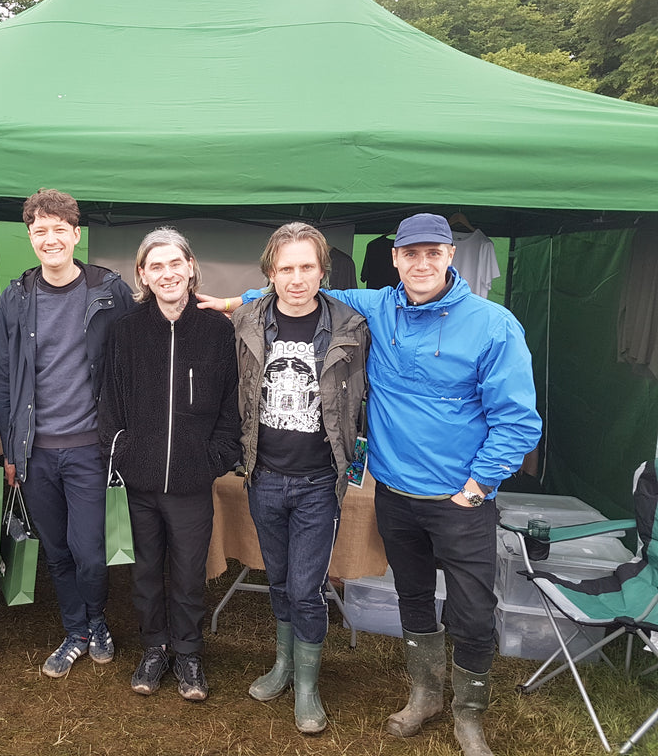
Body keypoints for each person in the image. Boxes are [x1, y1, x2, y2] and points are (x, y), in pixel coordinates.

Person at [200, 213, 542, 756]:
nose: (422, 263)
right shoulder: (378, 308)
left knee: (473, 610)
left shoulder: (493, 324)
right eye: (411, 254)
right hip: (397, 494)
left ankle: (469, 716)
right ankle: (425, 697)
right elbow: (299, 287)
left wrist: (477, 486)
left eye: (434, 252)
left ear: (452, 255)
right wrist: (236, 301)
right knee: (413, 599)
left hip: (462, 498)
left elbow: (519, 421)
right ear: (397, 259)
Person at [230, 222, 369, 733]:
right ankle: (283, 666)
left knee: (307, 589)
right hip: (264, 476)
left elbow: (367, 394)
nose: (296, 278)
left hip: (317, 482)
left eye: (306, 267)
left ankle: (308, 686)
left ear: (322, 271)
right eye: (286, 268)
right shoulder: (247, 320)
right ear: (270, 272)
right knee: (280, 582)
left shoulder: (350, 326)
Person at [0, 189, 135, 677]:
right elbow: (3, 375)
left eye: (60, 230)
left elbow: (132, 364)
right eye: (40, 231)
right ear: (30, 237)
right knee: (56, 549)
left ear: (77, 235)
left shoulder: (108, 290)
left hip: (90, 449)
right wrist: (10, 448)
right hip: (35, 451)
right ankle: (75, 631)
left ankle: (98, 620)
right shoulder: (16, 296)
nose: (50, 239)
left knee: (89, 551)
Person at [97, 228, 240, 701]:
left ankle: (190, 654)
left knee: (187, 573)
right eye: (155, 266)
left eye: (174, 263)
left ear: (191, 267)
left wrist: (214, 458)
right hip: (139, 482)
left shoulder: (218, 331)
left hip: (191, 483)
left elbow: (230, 407)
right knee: (144, 572)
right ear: (142, 274)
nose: (167, 273)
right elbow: (111, 404)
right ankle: (154, 647)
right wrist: (124, 452)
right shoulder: (126, 331)